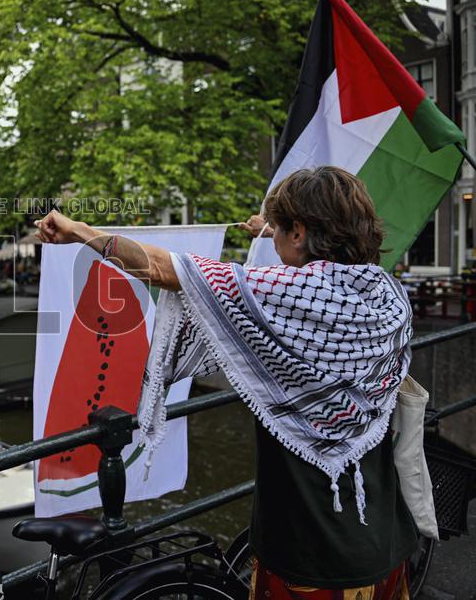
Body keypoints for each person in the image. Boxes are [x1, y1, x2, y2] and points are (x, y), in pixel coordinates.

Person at [34, 166, 416, 597]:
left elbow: (163, 269)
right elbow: (291, 291)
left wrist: (77, 229)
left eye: (279, 228)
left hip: (310, 548)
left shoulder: (290, 295)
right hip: (383, 533)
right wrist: (267, 228)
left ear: (299, 233)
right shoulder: (387, 296)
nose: (271, 236)